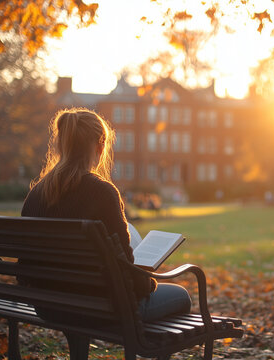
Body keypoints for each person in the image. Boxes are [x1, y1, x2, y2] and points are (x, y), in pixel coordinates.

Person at [21, 107, 191, 324]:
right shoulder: (102, 192)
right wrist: (148, 282)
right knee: (181, 295)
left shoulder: (36, 194)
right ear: (100, 145)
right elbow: (126, 273)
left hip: (48, 306)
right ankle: (141, 348)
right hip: (101, 307)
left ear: (63, 144)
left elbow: (25, 269)